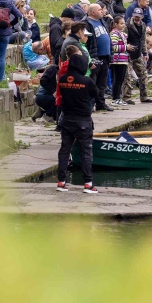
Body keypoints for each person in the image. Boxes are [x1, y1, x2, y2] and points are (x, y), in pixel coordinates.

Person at [55, 46, 98, 193]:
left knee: (64, 151)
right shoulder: (87, 81)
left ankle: (61, 181)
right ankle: (88, 183)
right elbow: (96, 94)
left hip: (67, 119)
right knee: (86, 151)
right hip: (83, 121)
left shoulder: (62, 80)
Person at [84, 4, 113, 111]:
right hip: (95, 56)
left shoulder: (102, 21)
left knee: (102, 82)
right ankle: (90, 104)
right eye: (100, 10)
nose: (102, 11)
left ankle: (101, 103)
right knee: (93, 82)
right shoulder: (87, 23)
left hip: (105, 56)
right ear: (92, 12)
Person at [124, 8, 152, 103]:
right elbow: (124, 38)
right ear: (133, 15)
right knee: (127, 76)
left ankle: (144, 96)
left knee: (143, 75)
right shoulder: (127, 25)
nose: (137, 18)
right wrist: (126, 47)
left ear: (142, 17)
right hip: (127, 54)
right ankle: (127, 97)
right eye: (135, 16)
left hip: (138, 54)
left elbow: (143, 40)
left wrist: (145, 52)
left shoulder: (143, 25)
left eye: (139, 17)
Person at [109, 16, 133, 105]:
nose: (123, 25)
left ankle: (118, 97)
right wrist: (126, 47)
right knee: (118, 80)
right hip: (117, 60)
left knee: (121, 80)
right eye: (121, 23)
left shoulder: (121, 34)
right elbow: (113, 47)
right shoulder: (114, 34)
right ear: (116, 24)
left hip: (123, 59)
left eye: (124, 23)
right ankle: (115, 98)